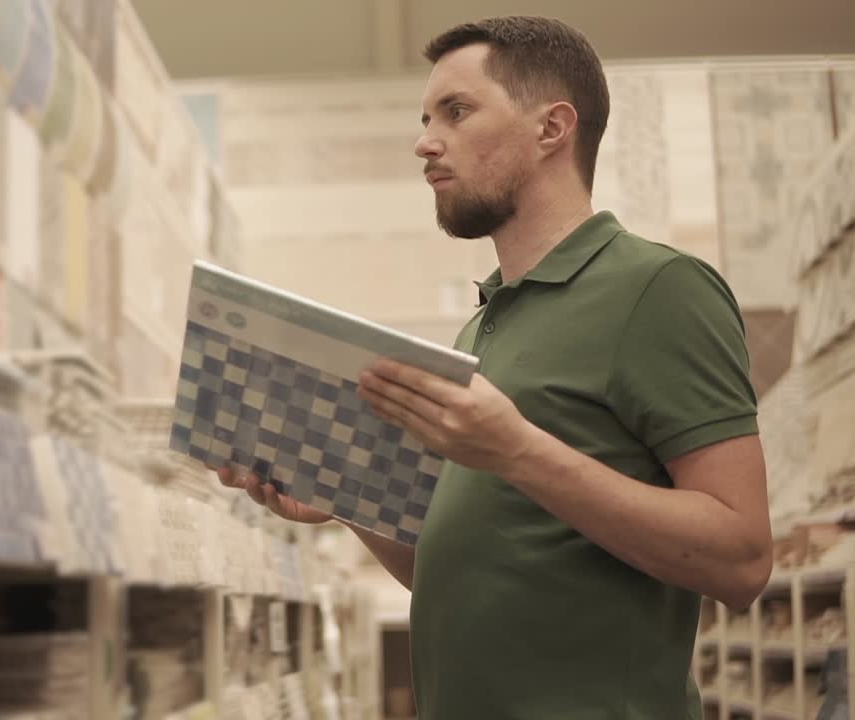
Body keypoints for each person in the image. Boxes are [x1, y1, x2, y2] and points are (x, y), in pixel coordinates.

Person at [213, 15, 772, 720]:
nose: (425, 142)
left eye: (456, 111)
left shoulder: (660, 289)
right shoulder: (480, 328)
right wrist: (344, 497)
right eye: (425, 119)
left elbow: (743, 560)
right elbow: (461, 575)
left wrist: (516, 449)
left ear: (552, 128)